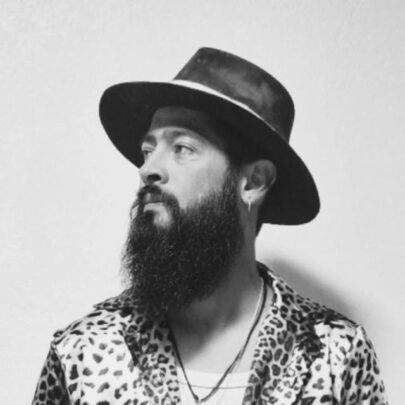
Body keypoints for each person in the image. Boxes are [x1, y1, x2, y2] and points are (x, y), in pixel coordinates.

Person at [32, 48, 387, 405]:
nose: (148, 169)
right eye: (147, 151)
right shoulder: (84, 351)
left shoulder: (333, 356)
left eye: (182, 148)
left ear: (253, 182)